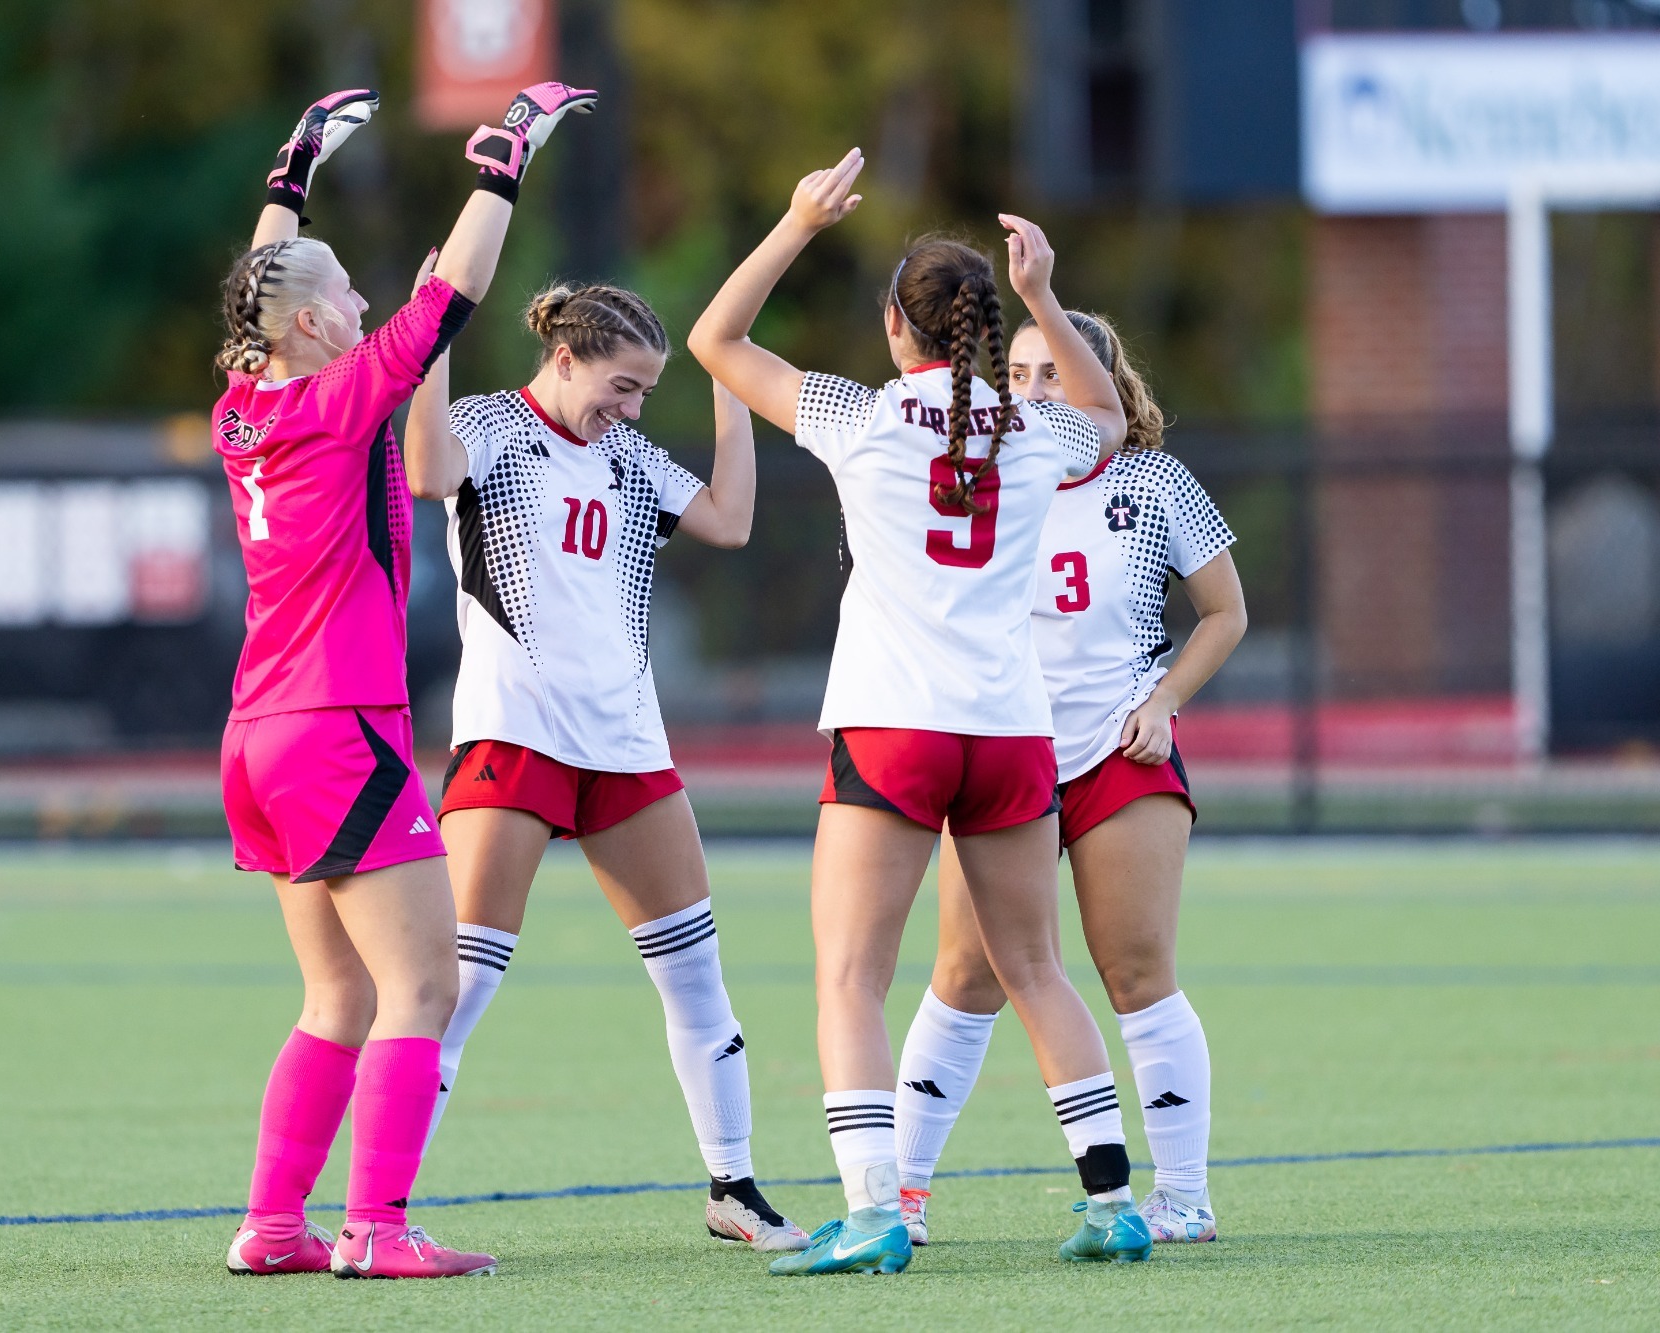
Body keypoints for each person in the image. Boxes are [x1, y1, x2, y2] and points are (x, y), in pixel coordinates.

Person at [690, 149, 1153, 1274]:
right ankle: (1111, 1199)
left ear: (895, 326)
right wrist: (1046, 292)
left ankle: (873, 1209)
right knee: (1036, 967)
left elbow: (715, 340)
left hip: (894, 722)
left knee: (852, 975)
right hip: (1011, 730)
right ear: (987, 329)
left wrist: (799, 222)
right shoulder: (1036, 430)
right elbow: (1105, 409)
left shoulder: (858, 417)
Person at [211, 81, 595, 1279]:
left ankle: (275, 1225)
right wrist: (504, 158)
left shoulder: (241, 407)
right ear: (310, 324)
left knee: (337, 994)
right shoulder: (336, 401)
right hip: (339, 724)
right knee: (422, 983)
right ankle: (376, 1228)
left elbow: (260, 291)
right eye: (344, 295)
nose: (363, 304)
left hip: (259, 733)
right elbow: (456, 290)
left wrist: (291, 179)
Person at [400, 282, 808, 1252]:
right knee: (458, 985)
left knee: (695, 977)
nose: (629, 407)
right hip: (513, 736)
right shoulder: (492, 425)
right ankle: (381, 1209)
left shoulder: (628, 455)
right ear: (565, 359)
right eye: (620, 386)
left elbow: (728, 519)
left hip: (625, 745)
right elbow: (426, 469)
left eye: (645, 393)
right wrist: (432, 336)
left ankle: (733, 1188)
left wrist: (729, 383)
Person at [893, 310, 1245, 1247]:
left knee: (1137, 971)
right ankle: (901, 1193)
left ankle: (1183, 1195)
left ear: (1104, 381)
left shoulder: (1155, 479)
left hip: (1120, 749)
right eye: (1018, 373)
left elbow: (1226, 611)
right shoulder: (983, 476)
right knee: (966, 972)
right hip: (1006, 749)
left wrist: (1163, 701)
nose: (1036, 390)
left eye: (1056, 371)